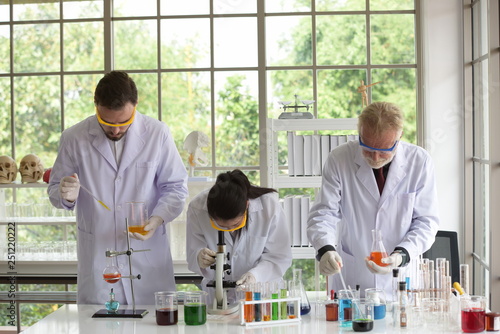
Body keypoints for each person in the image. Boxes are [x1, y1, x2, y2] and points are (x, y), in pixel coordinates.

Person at [48, 71, 188, 305]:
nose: (115, 130)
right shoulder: (74, 138)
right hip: (99, 262)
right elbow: (55, 190)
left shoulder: (157, 133)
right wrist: (65, 195)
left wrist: (156, 220)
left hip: (148, 260)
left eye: (124, 122)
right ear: (96, 107)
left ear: (135, 105)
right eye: (107, 122)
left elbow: (175, 187)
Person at [307, 101, 439, 298]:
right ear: (360, 134)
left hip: (401, 278)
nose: (375, 158)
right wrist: (325, 249)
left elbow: (426, 222)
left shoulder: (419, 161)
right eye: (367, 149)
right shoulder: (339, 159)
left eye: (384, 150)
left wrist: (400, 256)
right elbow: (324, 213)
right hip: (354, 278)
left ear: (399, 137)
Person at [186, 169, 292, 306]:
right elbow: (192, 255)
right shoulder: (197, 208)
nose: (229, 230)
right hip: (217, 298)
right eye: (221, 226)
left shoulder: (269, 206)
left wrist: (255, 276)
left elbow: (279, 257)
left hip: (261, 295)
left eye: (235, 224)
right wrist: (198, 257)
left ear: (247, 206)